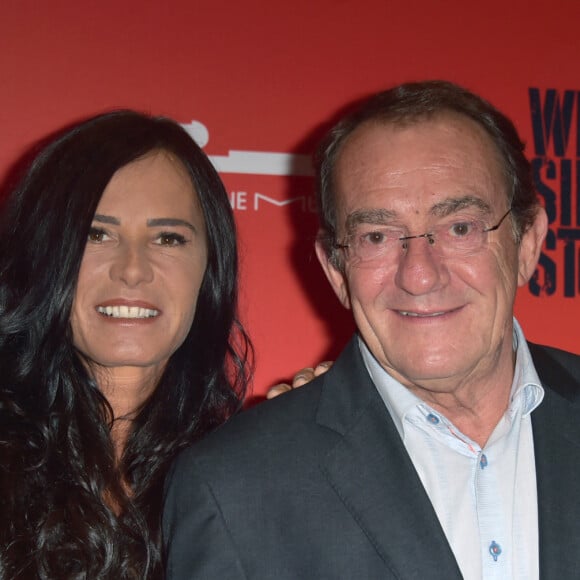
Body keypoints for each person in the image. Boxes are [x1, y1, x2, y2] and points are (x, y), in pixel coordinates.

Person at [163, 81, 580, 579]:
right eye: (377, 236)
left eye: (461, 228)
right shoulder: (234, 490)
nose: (420, 274)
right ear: (336, 270)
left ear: (528, 243)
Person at [0, 110, 253, 578]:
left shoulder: (250, 470)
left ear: (209, 269)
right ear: (45, 251)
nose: (132, 269)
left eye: (168, 238)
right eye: (96, 234)